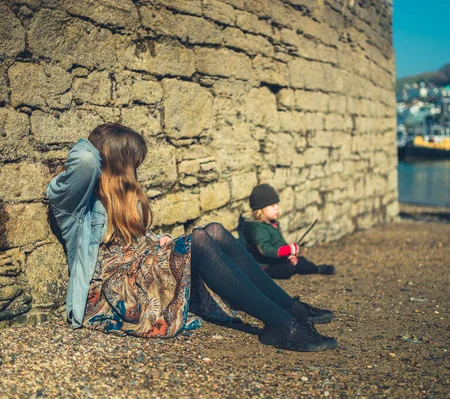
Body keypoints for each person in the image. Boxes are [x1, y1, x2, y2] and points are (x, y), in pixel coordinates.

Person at [46, 123, 337, 352]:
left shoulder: (120, 199)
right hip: (113, 294)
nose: (135, 170)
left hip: (141, 274)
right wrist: (102, 148)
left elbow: (132, 243)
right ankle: (280, 324)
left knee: (214, 231)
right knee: (198, 240)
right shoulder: (76, 205)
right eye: (132, 162)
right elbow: (84, 159)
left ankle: (287, 307)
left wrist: (157, 241)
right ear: (115, 162)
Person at [241, 184, 336, 280]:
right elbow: (265, 250)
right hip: (265, 264)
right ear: (260, 209)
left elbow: (280, 243)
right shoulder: (258, 229)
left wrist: (289, 255)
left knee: (300, 261)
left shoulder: (272, 224)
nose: (277, 208)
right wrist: (287, 250)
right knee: (286, 269)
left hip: (276, 260)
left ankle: (317, 269)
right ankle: (268, 273)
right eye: (273, 205)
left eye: (277, 204)